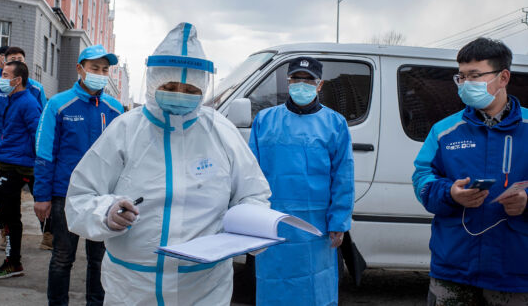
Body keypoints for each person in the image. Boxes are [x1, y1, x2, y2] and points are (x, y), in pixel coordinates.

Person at [62, 23, 272, 305]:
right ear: (153, 82)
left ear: (202, 87)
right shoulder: (125, 130)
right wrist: (106, 213)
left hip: (204, 289)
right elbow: (80, 196)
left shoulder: (221, 132)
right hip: (133, 289)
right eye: (170, 87)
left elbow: (254, 193)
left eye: (189, 88)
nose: (180, 94)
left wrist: (249, 222)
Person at [412, 37, 528, 305]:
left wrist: (525, 201)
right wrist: (450, 193)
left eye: (474, 76)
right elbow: (422, 179)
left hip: (515, 272)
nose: (465, 84)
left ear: (503, 77)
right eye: (461, 77)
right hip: (453, 269)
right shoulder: (444, 130)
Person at [249, 56, 354, 306]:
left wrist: (339, 221)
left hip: (315, 227)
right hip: (272, 223)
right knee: (274, 285)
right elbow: (250, 175)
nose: (302, 84)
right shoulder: (265, 121)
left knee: (314, 287)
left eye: (309, 80)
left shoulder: (335, 124)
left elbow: (343, 176)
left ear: (320, 85)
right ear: (288, 82)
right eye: (296, 79)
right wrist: (250, 216)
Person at [33, 44, 123, 306]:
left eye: (105, 69)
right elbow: (44, 153)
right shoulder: (58, 104)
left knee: (99, 259)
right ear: (80, 69)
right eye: (94, 68)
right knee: (62, 257)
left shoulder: (115, 109)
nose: (99, 73)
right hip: (65, 195)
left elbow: (126, 156)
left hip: (104, 197)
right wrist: (42, 196)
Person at [0, 61, 42, 279]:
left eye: (4, 75)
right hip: (6, 162)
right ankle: (13, 263)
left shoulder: (29, 103)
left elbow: (37, 136)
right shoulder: (13, 99)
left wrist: (34, 164)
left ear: (17, 80)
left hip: (18, 167)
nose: (1, 79)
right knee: (12, 217)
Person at [0, 46, 49, 250]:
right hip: (5, 153)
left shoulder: (33, 92)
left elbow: (39, 125)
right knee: (7, 202)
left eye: (19, 59)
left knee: (39, 193)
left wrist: (38, 154)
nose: (3, 77)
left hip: (26, 157)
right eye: (10, 60)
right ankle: (4, 236)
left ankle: (48, 233)